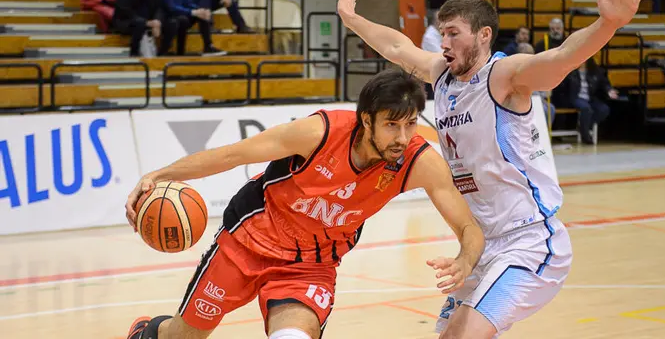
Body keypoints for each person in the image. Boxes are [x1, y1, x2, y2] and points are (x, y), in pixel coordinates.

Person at [337, 0, 650, 338]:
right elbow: (396, 46)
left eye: (453, 33)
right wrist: (352, 19)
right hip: (480, 244)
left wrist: (608, 24)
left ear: (484, 35)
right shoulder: (442, 75)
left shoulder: (504, 76)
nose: (444, 43)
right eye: (442, 33)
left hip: (528, 242)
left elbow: (561, 58)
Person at [122, 69, 485, 339]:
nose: (402, 137)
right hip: (246, 241)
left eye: (410, 124)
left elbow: (468, 226)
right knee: (181, 336)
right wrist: (159, 174)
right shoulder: (319, 133)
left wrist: (465, 260)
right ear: (366, 120)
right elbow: (231, 155)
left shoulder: (418, 162)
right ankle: (147, 332)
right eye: (392, 125)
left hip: (310, 264)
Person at [552, 59, 618, 144]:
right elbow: (562, 86)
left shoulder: (595, 71)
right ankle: (585, 134)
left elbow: (605, 83)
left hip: (590, 98)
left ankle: (584, 126)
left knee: (604, 109)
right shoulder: (570, 71)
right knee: (586, 108)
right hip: (575, 98)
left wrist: (609, 90)